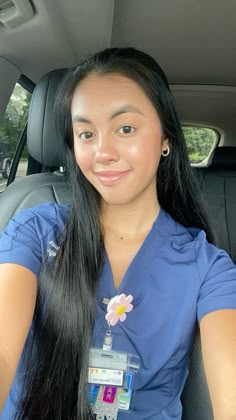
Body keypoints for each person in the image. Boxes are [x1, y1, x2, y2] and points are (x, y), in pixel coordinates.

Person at [0, 47, 236, 420]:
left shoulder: (207, 268)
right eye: (86, 133)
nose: (102, 152)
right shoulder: (36, 230)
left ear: (165, 139)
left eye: (125, 128)